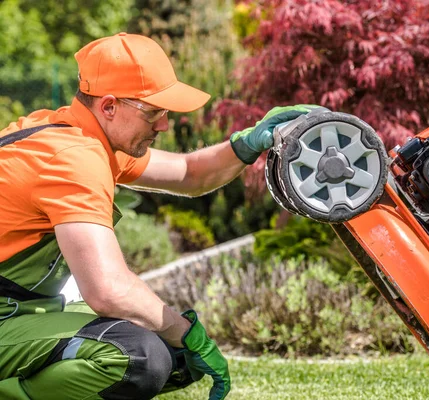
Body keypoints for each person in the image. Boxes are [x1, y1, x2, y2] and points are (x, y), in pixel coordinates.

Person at [0, 32, 315, 400]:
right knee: (140, 356)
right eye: (153, 112)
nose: (164, 125)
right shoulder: (72, 158)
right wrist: (190, 333)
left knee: (167, 350)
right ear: (109, 106)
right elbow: (108, 290)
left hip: (22, 313)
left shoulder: (77, 135)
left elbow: (188, 174)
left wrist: (247, 143)